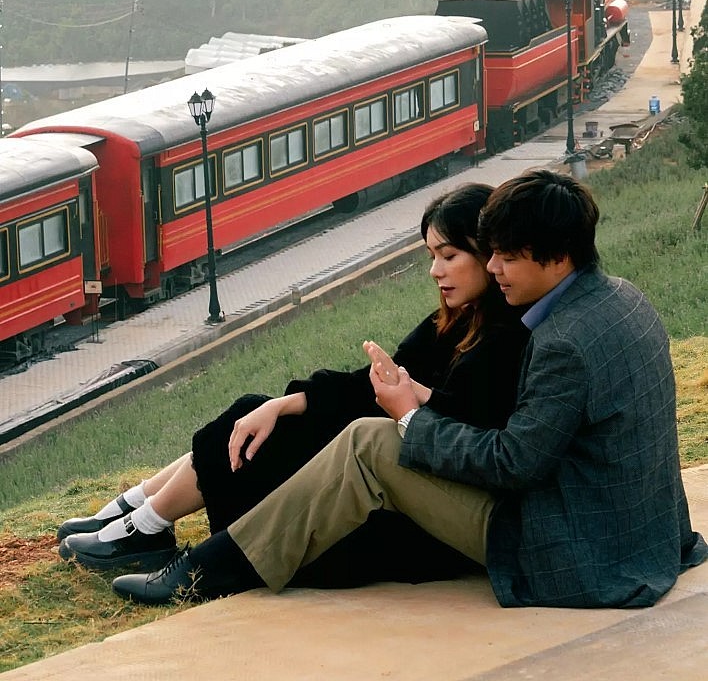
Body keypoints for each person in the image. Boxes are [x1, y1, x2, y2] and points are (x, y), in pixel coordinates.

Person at [110, 169, 706, 608]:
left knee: (371, 443)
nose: (493, 270)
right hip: (626, 529)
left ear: (554, 255)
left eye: (503, 257)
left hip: (568, 550)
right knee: (354, 433)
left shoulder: (559, 343)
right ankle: (185, 544)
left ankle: (201, 574)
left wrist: (411, 418)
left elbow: (515, 462)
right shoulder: (625, 299)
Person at [59, 182, 528, 584]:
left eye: (449, 255)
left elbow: (457, 423)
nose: (435, 271)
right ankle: (138, 513)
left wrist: (410, 401)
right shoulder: (453, 323)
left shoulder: (504, 339)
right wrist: (285, 403)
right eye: (431, 256)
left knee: (269, 436)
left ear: (488, 254)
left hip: (418, 510)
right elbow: (368, 387)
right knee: (258, 412)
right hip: (394, 478)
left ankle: (145, 524)